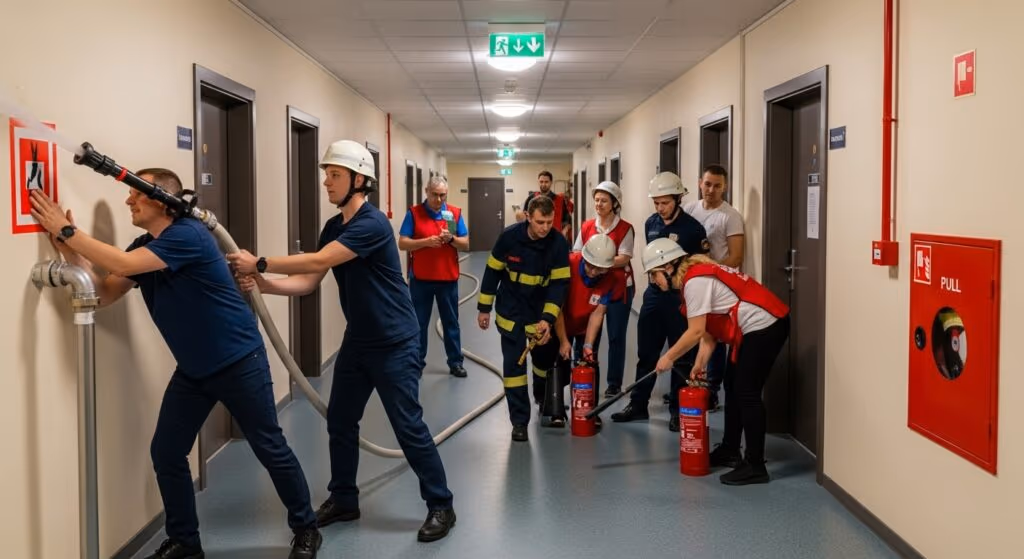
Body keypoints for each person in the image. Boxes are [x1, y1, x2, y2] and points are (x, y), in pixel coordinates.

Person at [28, 173, 322, 559]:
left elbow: (121, 262)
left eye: (136, 194)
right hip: (194, 370)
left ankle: (306, 528)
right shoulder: (145, 248)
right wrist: (69, 250)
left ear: (162, 200)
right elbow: (104, 293)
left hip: (238, 361)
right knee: (167, 452)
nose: (129, 201)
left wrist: (68, 230)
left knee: (269, 446)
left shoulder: (189, 235)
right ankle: (185, 542)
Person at [227, 140, 456, 542]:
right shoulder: (334, 228)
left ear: (359, 180)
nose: (326, 182)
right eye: (326, 174)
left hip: (395, 342)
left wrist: (260, 262)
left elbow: (319, 261)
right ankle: (344, 498)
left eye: (334, 175)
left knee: (407, 425)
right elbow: (308, 281)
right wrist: (264, 284)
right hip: (359, 341)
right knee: (340, 420)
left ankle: (441, 505)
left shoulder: (372, 224)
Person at [644, 238, 790, 485]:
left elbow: (695, 331)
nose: (654, 281)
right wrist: (699, 365)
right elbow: (709, 334)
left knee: (747, 392)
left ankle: (755, 465)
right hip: (754, 329)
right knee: (731, 385)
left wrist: (668, 357)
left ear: (669, 266)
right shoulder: (694, 277)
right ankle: (730, 449)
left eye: (654, 274)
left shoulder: (695, 282)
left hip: (766, 326)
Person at [610, 172, 710, 432]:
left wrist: (678, 282)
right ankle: (638, 404)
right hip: (654, 295)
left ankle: (678, 410)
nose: (660, 208)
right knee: (646, 352)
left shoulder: (693, 229)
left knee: (681, 355)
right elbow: (652, 257)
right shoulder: (651, 224)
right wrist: (656, 274)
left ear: (677, 199)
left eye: (665, 202)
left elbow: (702, 265)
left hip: (680, 297)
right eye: (656, 203)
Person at [478, 195, 570, 442]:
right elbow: (492, 272)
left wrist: (548, 319)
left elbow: (559, 285)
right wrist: (484, 308)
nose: (545, 227)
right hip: (512, 313)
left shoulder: (558, 244)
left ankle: (542, 397)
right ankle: (519, 421)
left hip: (540, 315)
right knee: (514, 370)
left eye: (549, 222)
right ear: (528, 217)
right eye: (540, 222)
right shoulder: (509, 238)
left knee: (542, 364)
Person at [683, 165, 745, 410]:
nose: (711, 190)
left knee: (713, 338)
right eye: (707, 184)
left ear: (725, 187)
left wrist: (710, 272)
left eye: (717, 186)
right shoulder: (690, 210)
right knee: (693, 333)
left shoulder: (730, 216)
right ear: (700, 183)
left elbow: (736, 256)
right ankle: (692, 382)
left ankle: (712, 390)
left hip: (718, 285)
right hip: (692, 284)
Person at [547, 234, 623, 428]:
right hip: (561, 319)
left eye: (600, 268)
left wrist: (588, 345)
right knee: (557, 362)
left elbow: (598, 313)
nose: (593, 271)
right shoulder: (568, 264)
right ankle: (554, 410)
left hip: (585, 325)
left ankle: (590, 410)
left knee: (590, 362)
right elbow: (557, 307)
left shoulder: (612, 278)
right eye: (590, 265)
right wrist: (564, 341)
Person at [398, 175, 470, 378]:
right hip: (421, 279)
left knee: (451, 323)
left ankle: (455, 362)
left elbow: (465, 243)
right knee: (419, 323)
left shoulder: (453, 214)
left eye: (443, 195)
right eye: (435, 195)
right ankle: (417, 363)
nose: (439, 200)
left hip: (447, 278)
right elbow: (402, 243)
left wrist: (452, 239)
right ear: (426, 192)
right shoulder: (414, 213)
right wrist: (425, 242)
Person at [572, 181, 635, 397]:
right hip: (593, 286)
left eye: (604, 201)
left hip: (618, 287)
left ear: (614, 204)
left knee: (616, 336)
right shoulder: (587, 226)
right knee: (591, 334)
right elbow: (578, 252)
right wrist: (596, 264)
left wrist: (599, 260)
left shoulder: (625, 228)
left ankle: (614, 384)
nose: (599, 204)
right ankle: (589, 375)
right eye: (597, 200)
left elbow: (624, 257)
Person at [514, 170, 573, 240]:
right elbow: (525, 217)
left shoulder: (560, 200)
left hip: (554, 238)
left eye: (546, 182)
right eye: (541, 182)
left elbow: (567, 220)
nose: (543, 184)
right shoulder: (531, 198)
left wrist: (564, 231)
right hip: (535, 238)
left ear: (551, 182)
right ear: (538, 182)